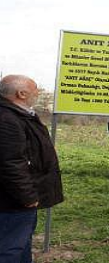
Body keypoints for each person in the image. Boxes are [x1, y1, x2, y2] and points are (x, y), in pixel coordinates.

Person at [0, 75, 64, 262]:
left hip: (17, 201)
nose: (38, 93)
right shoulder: (7, 119)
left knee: (21, 244)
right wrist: (28, 197)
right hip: (12, 202)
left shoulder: (18, 114)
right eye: (35, 89)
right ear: (21, 93)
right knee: (9, 248)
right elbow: (10, 163)